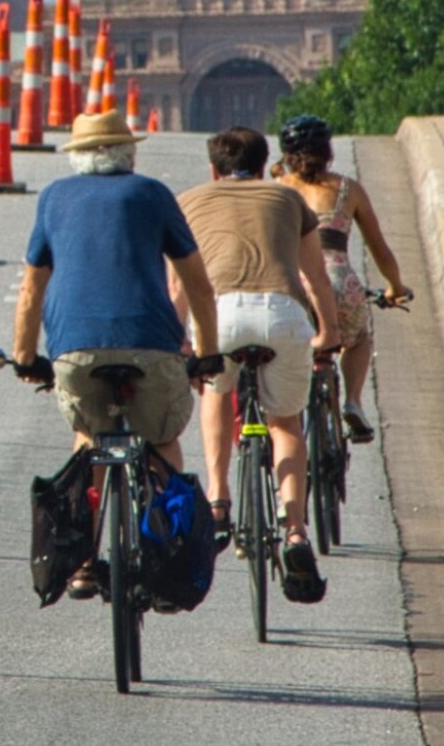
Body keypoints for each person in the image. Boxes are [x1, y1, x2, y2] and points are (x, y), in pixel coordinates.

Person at [10, 109, 223, 600]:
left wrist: (25, 357)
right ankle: (166, 550)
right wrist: (207, 354)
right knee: (164, 437)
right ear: (129, 153)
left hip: (76, 352)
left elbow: (30, 292)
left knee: (89, 439)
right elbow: (198, 284)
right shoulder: (151, 193)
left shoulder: (53, 198)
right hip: (152, 346)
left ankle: (84, 562)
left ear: (77, 156)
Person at [176, 126, 336, 603]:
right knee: (285, 421)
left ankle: (219, 499)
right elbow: (316, 278)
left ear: (214, 169)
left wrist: (183, 344)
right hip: (281, 315)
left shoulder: (188, 202)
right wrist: (328, 332)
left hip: (220, 316)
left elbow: (178, 288)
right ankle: (295, 532)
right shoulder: (289, 200)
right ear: (268, 162)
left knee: (216, 392)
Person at [275, 117, 414, 442]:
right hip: (338, 280)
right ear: (328, 152)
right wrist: (395, 287)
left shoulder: (278, 189)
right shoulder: (349, 190)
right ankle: (352, 400)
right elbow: (379, 249)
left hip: (290, 285)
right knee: (357, 338)